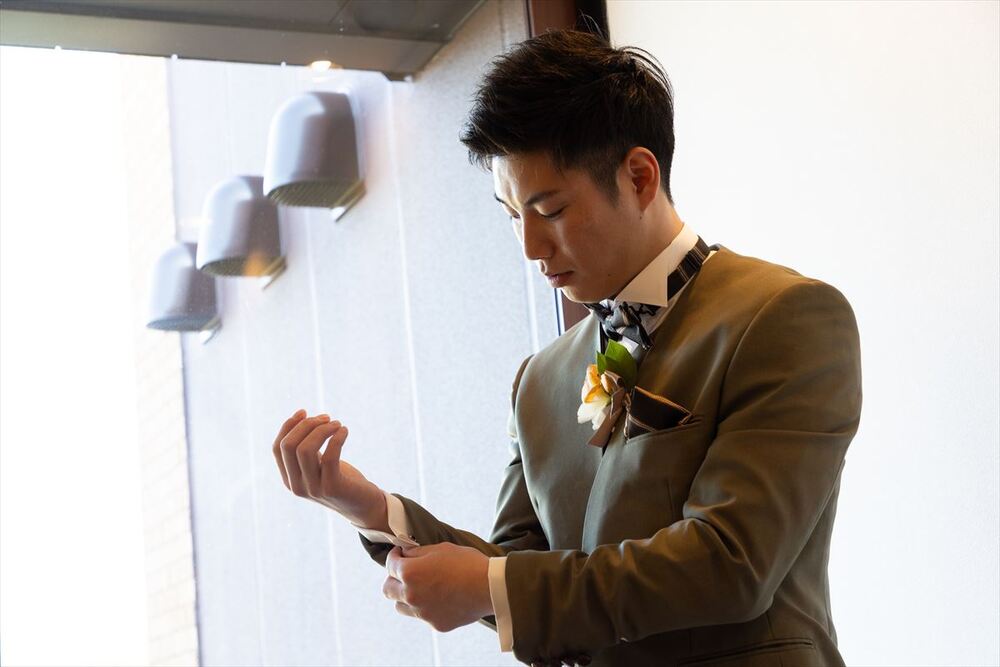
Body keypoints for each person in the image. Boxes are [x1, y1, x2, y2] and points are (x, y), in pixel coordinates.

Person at [271, 29, 862, 667]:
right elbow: (516, 573)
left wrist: (491, 586)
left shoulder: (784, 316)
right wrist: (370, 508)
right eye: (511, 215)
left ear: (639, 177)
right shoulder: (540, 379)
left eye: (549, 210)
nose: (530, 247)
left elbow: (730, 564)